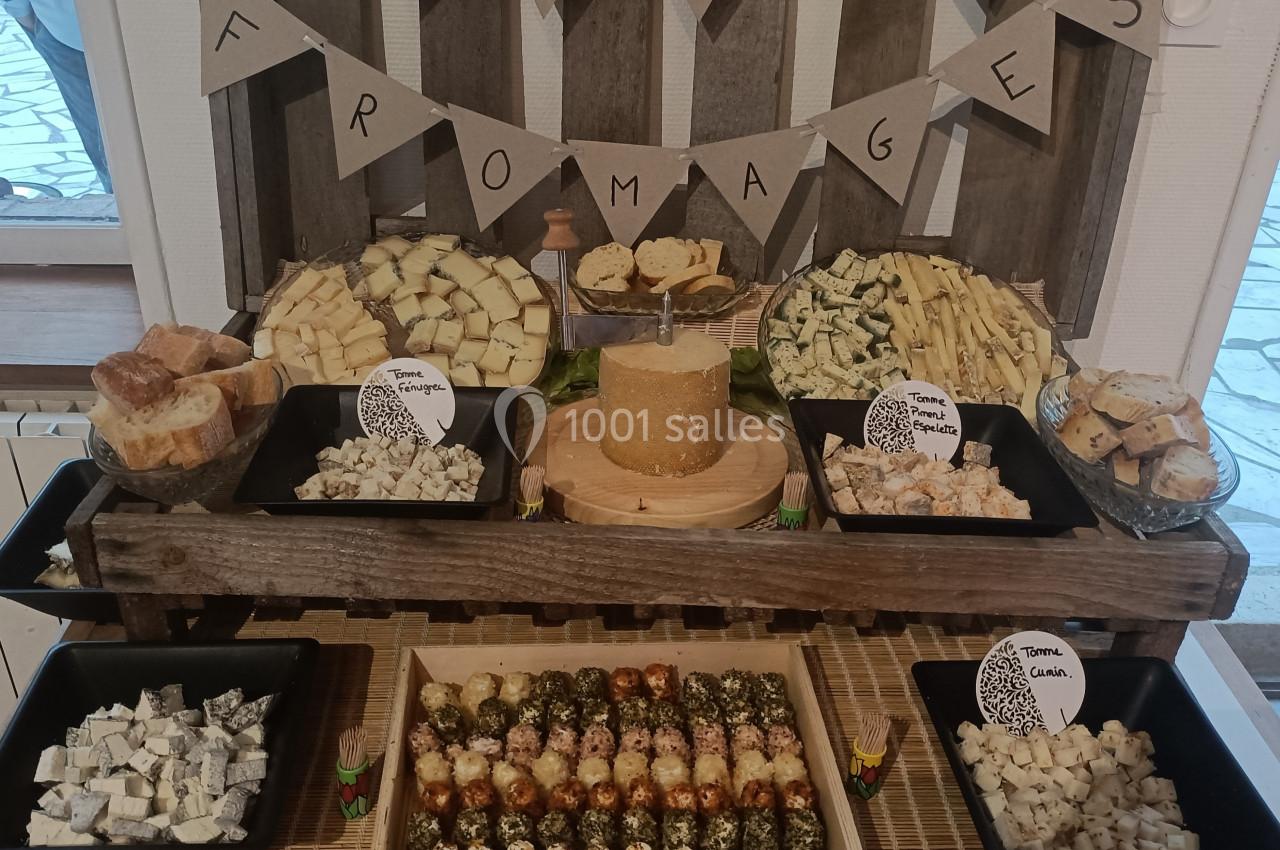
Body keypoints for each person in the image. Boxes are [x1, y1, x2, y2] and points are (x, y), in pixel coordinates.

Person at [2, 0, 112, 192]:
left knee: (101, 133)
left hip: (63, 27)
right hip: (64, 29)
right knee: (102, 135)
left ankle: (121, 206)